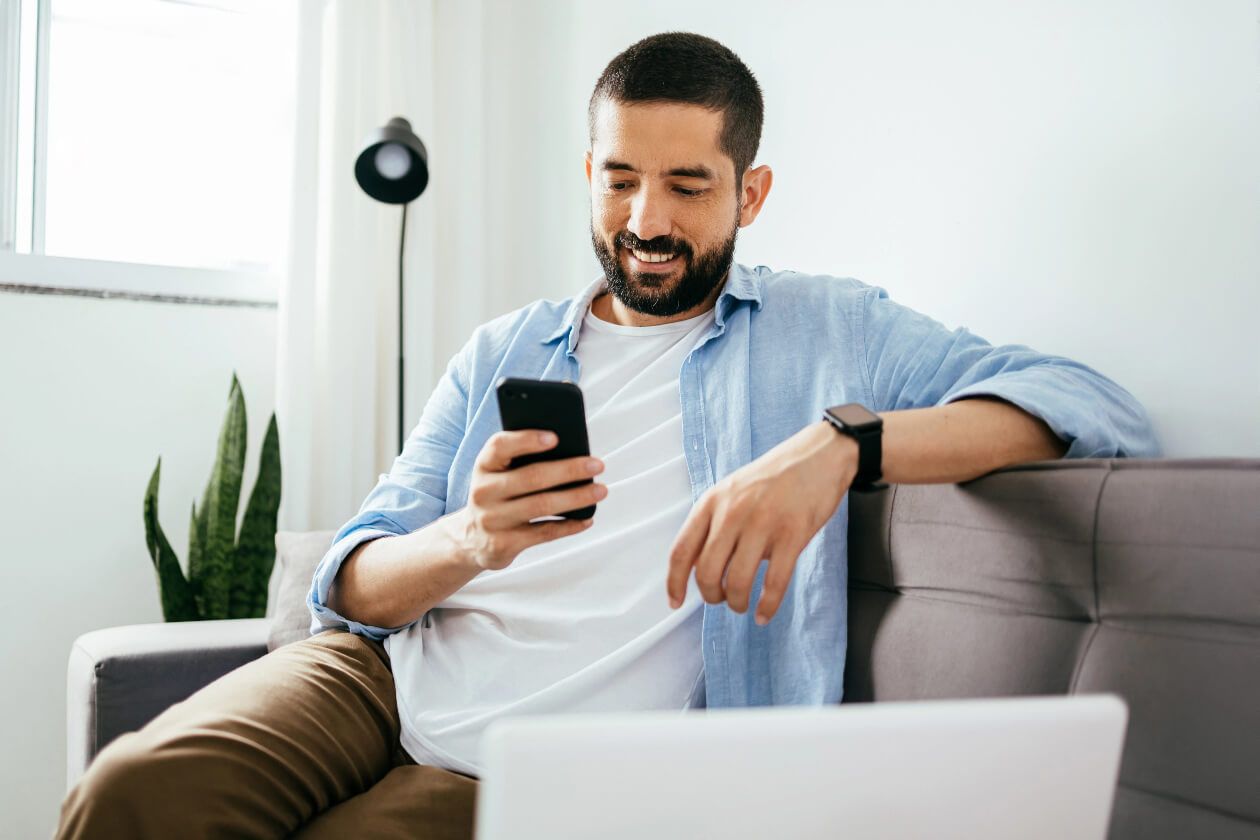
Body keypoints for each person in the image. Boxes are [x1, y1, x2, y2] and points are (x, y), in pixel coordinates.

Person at [57, 31, 1159, 839]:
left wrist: (840, 448)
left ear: (751, 192)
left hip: (546, 759)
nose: (647, 220)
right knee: (129, 793)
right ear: (589, 174)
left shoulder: (834, 331)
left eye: (688, 185)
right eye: (622, 178)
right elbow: (351, 580)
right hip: (377, 679)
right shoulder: (505, 350)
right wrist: (472, 545)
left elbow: (1085, 402)